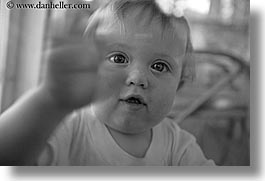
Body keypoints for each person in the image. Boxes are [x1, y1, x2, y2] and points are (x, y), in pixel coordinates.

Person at [0, 0, 215, 166]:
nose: (138, 78)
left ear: (180, 82)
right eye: (119, 59)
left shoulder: (178, 147)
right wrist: (49, 98)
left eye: (159, 66)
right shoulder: (70, 127)